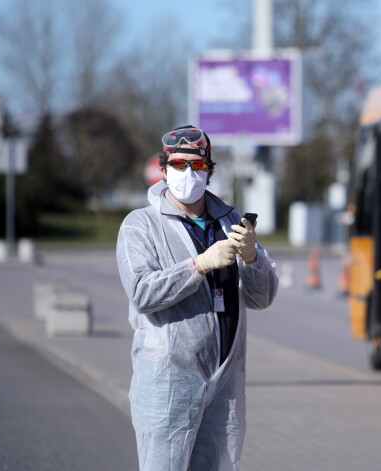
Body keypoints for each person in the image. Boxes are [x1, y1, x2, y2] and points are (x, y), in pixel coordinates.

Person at [116, 125, 278, 471]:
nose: (188, 173)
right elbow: (143, 292)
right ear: (163, 168)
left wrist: (252, 259)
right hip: (168, 379)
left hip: (224, 381)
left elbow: (261, 297)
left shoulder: (230, 221)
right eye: (178, 164)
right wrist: (200, 265)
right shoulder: (140, 225)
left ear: (210, 171)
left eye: (198, 166)